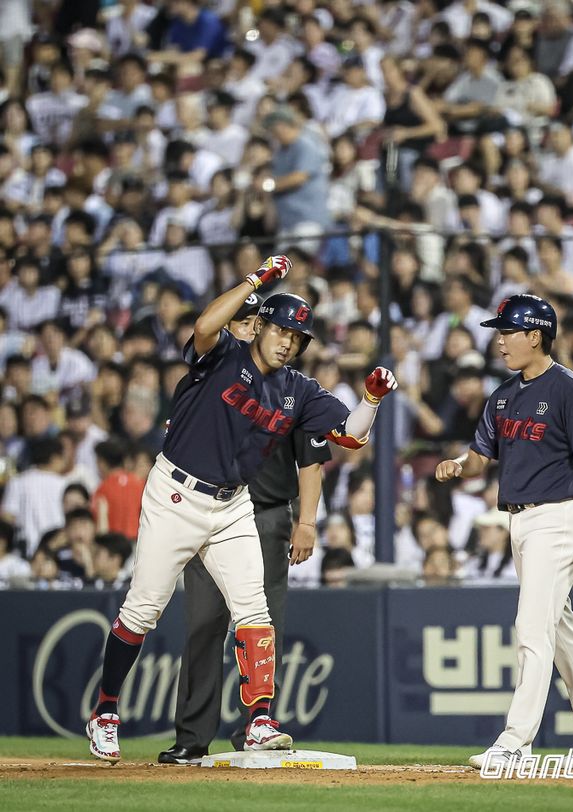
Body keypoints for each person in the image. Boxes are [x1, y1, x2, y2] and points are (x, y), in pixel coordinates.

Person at [85, 255, 397, 763]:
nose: (286, 342)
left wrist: (372, 398)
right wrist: (257, 279)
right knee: (143, 609)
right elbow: (204, 325)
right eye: (279, 331)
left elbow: (351, 436)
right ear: (261, 328)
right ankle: (105, 710)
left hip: (233, 505)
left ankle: (258, 721)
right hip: (175, 495)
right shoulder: (225, 354)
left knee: (256, 611)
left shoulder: (298, 390)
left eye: (296, 338)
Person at [435, 294, 573, 769]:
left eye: (507, 332)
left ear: (535, 336)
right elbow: (481, 456)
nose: (499, 342)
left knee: (531, 627)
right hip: (519, 520)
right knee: (559, 628)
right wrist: (459, 465)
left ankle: (515, 740)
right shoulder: (503, 395)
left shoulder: (569, 389)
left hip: (559, 518)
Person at [157, 291, 331, 764]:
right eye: (246, 320)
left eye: (255, 320)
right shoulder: (214, 372)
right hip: (208, 511)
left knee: (260, 624)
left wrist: (307, 522)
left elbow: (311, 459)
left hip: (267, 515)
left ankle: (255, 723)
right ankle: (192, 736)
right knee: (203, 626)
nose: (250, 328)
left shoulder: (294, 388)